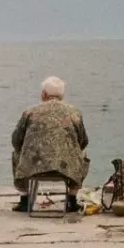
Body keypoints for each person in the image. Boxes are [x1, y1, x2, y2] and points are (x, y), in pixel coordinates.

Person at [11, 76, 89, 212]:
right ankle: (71, 199)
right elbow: (83, 141)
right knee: (83, 155)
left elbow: (16, 141)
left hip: (32, 169)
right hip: (66, 171)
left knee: (16, 154)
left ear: (44, 94)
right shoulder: (74, 112)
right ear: (62, 95)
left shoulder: (29, 112)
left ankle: (24, 200)